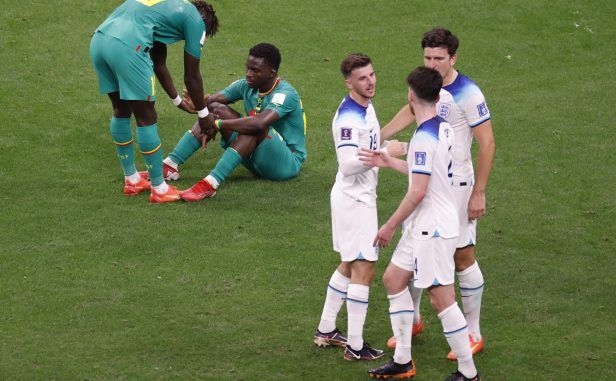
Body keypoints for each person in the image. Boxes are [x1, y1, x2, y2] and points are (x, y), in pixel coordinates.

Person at [380, 28, 495, 360]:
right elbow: (412, 109)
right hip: (427, 174)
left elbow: (487, 143)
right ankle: (412, 320)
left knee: (462, 256)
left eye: (438, 58)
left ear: (453, 58)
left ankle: (472, 332)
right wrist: (383, 133)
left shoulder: (468, 93)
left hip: (457, 186)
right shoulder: (426, 87)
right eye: (427, 57)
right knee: (416, 243)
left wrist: (479, 192)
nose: (431, 63)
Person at [363, 67, 480, 381]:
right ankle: (402, 360)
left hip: (433, 227)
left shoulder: (426, 137)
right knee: (393, 279)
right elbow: (424, 173)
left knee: (441, 298)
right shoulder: (440, 128)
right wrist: (389, 161)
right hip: (425, 224)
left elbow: (417, 192)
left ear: (412, 96)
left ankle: (469, 373)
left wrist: (388, 226)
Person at [90, 0, 219, 203]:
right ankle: (159, 188)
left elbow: (158, 63)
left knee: (121, 109)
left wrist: (177, 101)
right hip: (128, 47)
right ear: (205, 21)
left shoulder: (163, 9)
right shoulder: (196, 20)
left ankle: (132, 179)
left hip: (100, 42)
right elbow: (191, 77)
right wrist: (204, 115)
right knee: (147, 117)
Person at [314, 53, 398, 362]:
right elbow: (348, 164)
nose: (371, 81)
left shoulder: (367, 105)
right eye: (363, 78)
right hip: (354, 200)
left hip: (359, 198)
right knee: (365, 267)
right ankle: (356, 345)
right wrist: (387, 152)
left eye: (373, 75)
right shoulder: (349, 118)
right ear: (349, 82)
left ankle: (325, 330)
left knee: (349, 264)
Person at [161, 43, 307, 201]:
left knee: (254, 127)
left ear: (271, 73)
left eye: (255, 70)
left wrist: (217, 124)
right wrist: (199, 105)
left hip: (286, 163)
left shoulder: (285, 94)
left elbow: (258, 123)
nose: (248, 74)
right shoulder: (247, 85)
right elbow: (211, 102)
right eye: (248, 68)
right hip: (256, 157)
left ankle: (210, 184)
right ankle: (170, 165)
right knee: (215, 109)